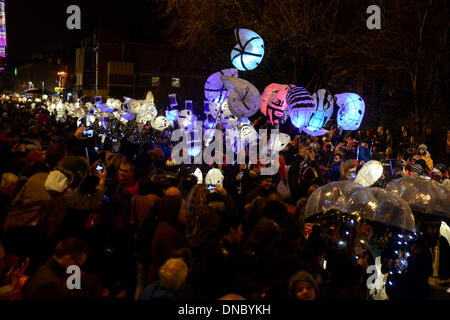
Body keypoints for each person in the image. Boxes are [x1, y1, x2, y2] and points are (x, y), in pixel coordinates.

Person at [25, 237, 103, 300]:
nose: (78, 270)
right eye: (78, 265)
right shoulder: (53, 283)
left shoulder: (45, 268)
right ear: (68, 259)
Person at [147, 195, 187, 285]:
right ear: (174, 210)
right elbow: (173, 263)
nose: (185, 212)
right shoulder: (169, 232)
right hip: (165, 281)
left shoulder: (167, 226)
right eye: (183, 209)